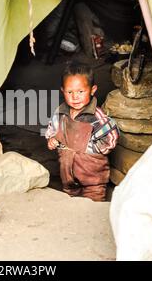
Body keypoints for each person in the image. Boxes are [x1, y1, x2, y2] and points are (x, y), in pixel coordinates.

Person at [46, 63, 119, 201]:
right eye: (69, 92)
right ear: (63, 91)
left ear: (92, 90)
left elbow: (112, 137)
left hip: (92, 177)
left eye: (81, 92)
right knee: (70, 203)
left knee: (92, 205)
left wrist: (91, 149)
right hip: (67, 172)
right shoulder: (60, 112)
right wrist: (52, 138)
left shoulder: (96, 116)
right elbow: (52, 128)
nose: (75, 97)